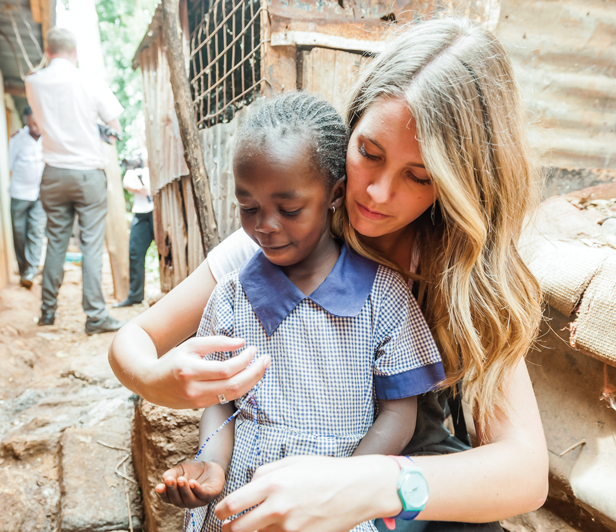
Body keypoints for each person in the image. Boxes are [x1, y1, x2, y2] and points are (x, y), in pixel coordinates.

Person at [109, 18, 548, 532]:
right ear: (349, 134)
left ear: (461, 181)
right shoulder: (281, 241)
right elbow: (132, 339)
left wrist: (360, 485)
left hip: (389, 460)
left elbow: (525, 471)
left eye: (419, 175)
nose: (377, 193)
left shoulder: (462, 270)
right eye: (369, 153)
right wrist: (158, 382)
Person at [153, 94, 445, 532]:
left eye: (289, 210)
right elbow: (220, 399)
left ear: (335, 194)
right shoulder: (234, 297)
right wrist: (211, 463)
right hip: (241, 497)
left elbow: (399, 413)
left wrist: (344, 487)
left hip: (335, 510)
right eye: (248, 207)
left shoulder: (382, 297)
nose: (265, 226)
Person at [25, 27, 124, 335]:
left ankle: (47, 313)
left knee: (55, 242)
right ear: (75, 52)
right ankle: (95, 317)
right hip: (87, 175)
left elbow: (44, 121)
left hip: (53, 172)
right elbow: (115, 127)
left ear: (49, 51)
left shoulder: (33, 82)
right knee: (90, 245)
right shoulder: (89, 82)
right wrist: (103, 131)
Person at [8, 106, 46, 289]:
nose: (34, 127)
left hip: (40, 193)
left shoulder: (48, 137)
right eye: (30, 124)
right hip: (19, 193)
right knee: (19, 233)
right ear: (25, 122)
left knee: (36, 231)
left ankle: (31, 270)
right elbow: (10, 164)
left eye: (36, 123)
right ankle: (24, 269)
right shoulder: (18, 139)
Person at [115, 151, 154, 307]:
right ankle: (135, 296)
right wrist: (139, 189)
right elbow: (126, 183)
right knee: (135, 253)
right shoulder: (134, 167)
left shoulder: (154, 159)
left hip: (158, 213)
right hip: (141, 213)